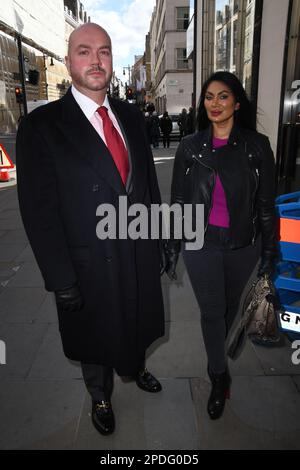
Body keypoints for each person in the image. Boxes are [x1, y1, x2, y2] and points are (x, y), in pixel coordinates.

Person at [16, 23, 165, 436]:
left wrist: (159, 238)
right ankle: (100, 395)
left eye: (104, 51)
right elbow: (38, 212)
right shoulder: (42, 127)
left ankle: (134, 367)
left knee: (136, 317)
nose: (95, 60)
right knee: (96, 333)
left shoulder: (132, 117)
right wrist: (60, 277)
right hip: (87, 261)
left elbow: (147, 185)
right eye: (84, 51)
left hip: (135, 247)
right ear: (68, 62)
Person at [165, 71, 277, 420]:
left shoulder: (257, 146)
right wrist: (171, 243)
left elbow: (265, 204)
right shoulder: (189, 147)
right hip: (201, 246)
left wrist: (271, 249)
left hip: (244, 246)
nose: (214, 103)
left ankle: (224, 348)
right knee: (212, 311)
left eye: (223, 96)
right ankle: (218, 375)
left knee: (230, 311)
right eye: (209, 96)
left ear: (237, 103)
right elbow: (179, 201)